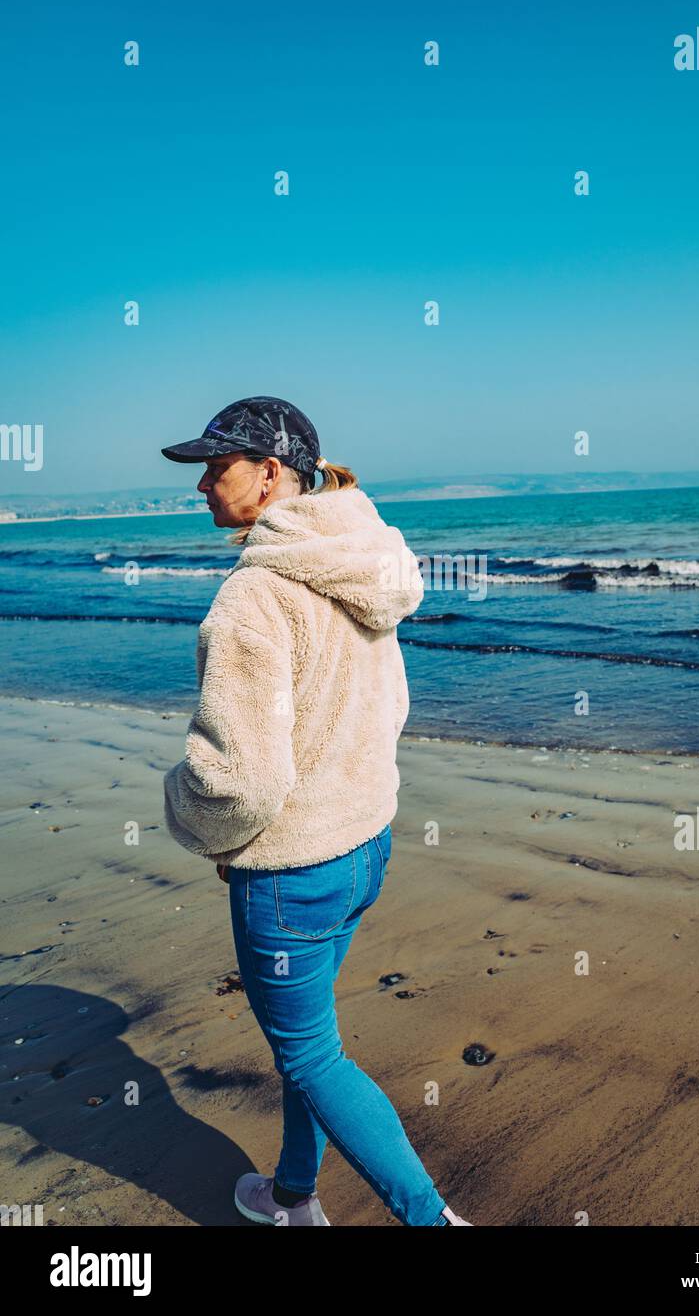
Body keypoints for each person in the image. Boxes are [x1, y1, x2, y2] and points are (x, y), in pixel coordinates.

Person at [160, 397, 472, 1227]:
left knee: (313, 1056)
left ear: (270, 475)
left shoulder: (253, 598)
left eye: (214, 467)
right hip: (366, 845)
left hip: (291, 871)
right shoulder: (362, 558)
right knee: (306, 1052)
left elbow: (241, 784)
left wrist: (184, 813)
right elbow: (387, 708)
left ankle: (433, 1222)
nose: (200, 486)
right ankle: (294, 1196)